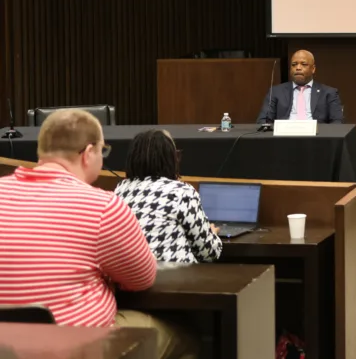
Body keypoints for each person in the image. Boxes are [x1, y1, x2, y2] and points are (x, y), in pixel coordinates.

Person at [0, 109, 196, 358]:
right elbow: (142, 279)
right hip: (77, 348)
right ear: (89, 152)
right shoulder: (103, 206)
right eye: (103, 151)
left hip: (5, 348)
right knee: (187, 337)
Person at [115, 129, 222, 264]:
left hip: (130, 279)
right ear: (170, 160)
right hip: (173, 280)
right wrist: (211, 235)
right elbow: (209, 253)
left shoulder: (120, 190)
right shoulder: (182, 192)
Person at [257, 49, 344, 124]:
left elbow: (337, 121)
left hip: (316, 138)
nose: (298, 68)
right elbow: (263, 120)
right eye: (294, 64)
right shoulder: (276, 91)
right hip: (284, 138)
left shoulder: (328, 92)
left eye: (304, 64)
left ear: (313, 69)